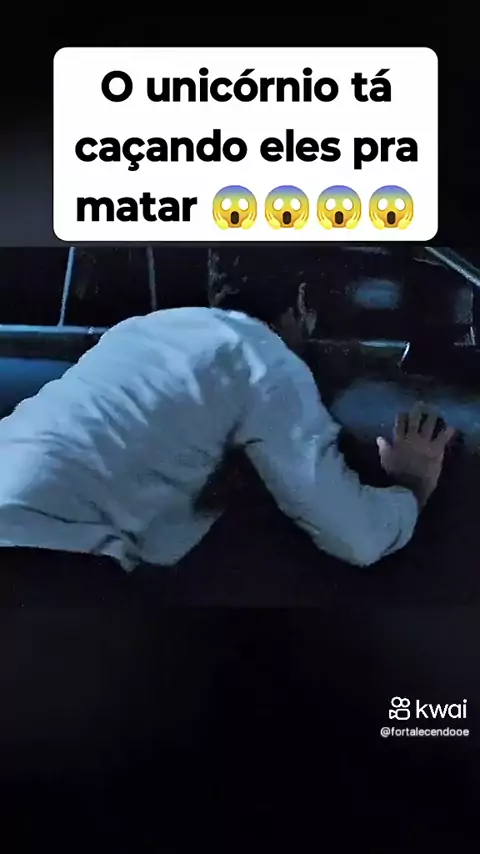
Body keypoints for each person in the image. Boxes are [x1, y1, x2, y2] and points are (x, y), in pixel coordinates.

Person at [0, 278, 455, 576]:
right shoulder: (265, 359)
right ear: (300, 303)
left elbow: (154, 538)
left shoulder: (142, 330)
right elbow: (356, 538)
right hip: (51, 554)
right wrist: (411, 487)